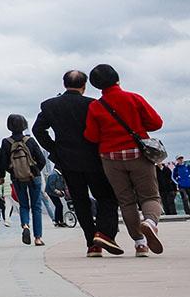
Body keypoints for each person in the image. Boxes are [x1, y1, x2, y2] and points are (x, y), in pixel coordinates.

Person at [35, 70, 122, 256]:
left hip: (66, 161)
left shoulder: (50, 105)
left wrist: (54, 149)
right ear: (84, 86)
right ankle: (105, 233)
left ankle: (92, 244)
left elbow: (38, 129)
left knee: (80, 200)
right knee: (107, 197)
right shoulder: (92, 104)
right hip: (94, 158)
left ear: (64, 83)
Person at [84, 63, 164, 257]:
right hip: (137, 154)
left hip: (111, 159)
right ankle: (150, 222)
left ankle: (140, 244)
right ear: (117, 78)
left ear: (96, 85)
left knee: (126, 201)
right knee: (150, 196)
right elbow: (156, 122)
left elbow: (91, 136)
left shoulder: (95, 106)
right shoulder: (133, 98)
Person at [0, 114, 48, 245]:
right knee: (36, 206)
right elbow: (42, 160)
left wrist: (9, 173)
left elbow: (2, 163)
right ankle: (38, 238)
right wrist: (35, 171)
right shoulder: (30, 141)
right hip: (33, 177)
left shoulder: (6, 142)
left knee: (24, 205)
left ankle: (25, 225)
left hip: (17, 178)